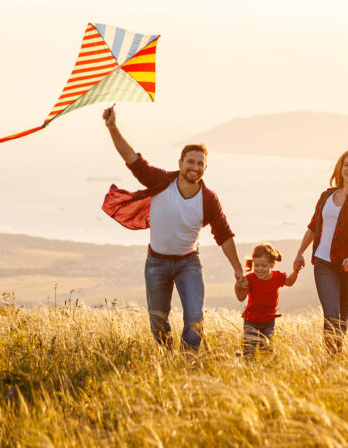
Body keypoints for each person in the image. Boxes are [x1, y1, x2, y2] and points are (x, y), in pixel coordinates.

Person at [100, 106, 247, 350]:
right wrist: (112, 127)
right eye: (190, 161)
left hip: (188, 263)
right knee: (158, 321)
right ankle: (167, 358)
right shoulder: (160, 181)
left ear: (205, 168)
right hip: (156, 263)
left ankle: (188, 362)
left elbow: (224, 235)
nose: (195, 167)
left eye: (201, 164)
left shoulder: (208, 199)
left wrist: (238, 272)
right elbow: (131, 159)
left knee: (194, 318)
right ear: (180, 163)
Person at [292, 149, 348, 353]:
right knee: (331, 315)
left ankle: (335, 361)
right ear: (340, 167)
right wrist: (300, 253)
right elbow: (312, 226)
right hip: (323, 264)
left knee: (342, 321)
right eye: (347, 164)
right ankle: (332, 359)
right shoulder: (326, 195)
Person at [235, 243, 299, 356]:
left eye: (264, 266)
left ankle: (265, 370)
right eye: (256, 265)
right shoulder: (250, 279)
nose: (259, 269)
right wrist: (237, 285)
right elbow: (241, 298)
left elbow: (289, 282)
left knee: (267, 351)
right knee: (249, 351)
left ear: (272, 265)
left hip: (269, 321)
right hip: (251, 321)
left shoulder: (278, 277)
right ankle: (247, 368)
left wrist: (296, 271)